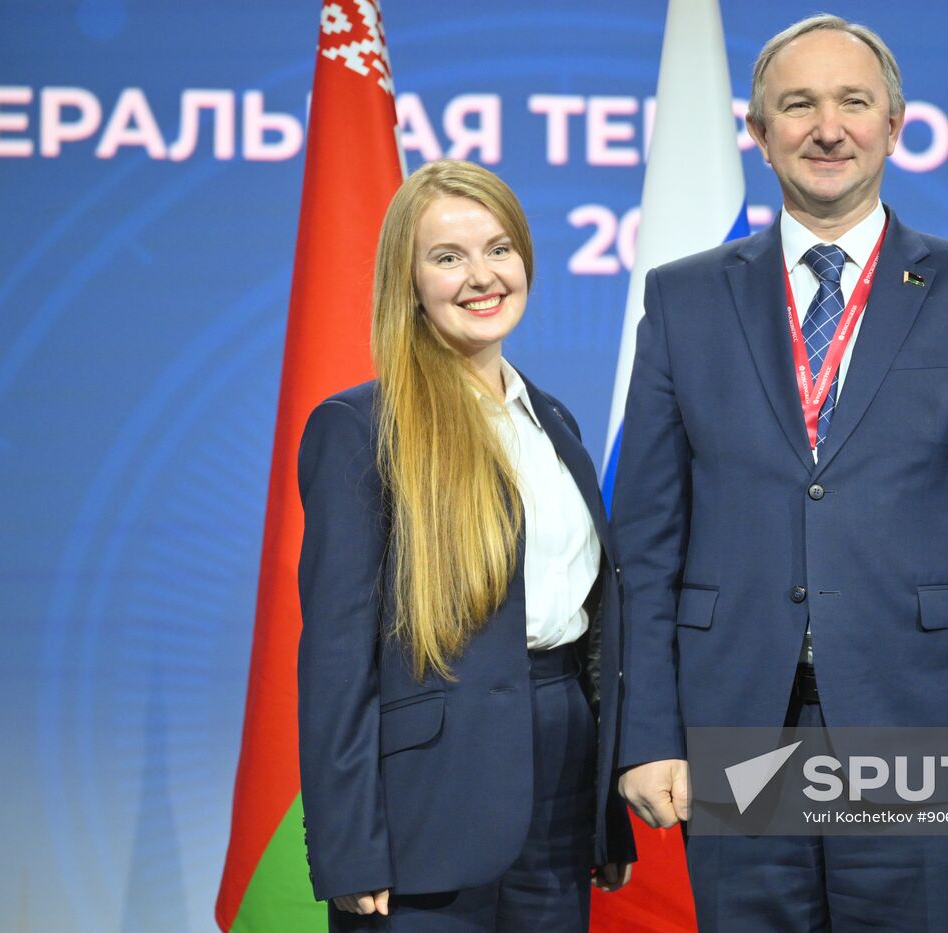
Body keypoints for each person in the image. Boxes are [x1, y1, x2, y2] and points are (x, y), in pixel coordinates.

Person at [612, 14, 948, 931]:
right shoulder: (683, 297)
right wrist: (649, 733)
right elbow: (645, 543)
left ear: (893, 125)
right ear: (758, 132)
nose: (828, 127)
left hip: (925, 727)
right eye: (799, 105)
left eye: (853, 103)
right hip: (739, 723)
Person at [296, 159, 635, 931]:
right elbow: (336, 659)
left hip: (560, 796)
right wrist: (348, 846)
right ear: (408, 280)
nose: (481, 275)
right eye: (448, 257)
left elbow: (589, 626)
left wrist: (605, 815)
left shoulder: (555, 424)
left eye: (498, 248)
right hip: (426, 818)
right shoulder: (360, 430)